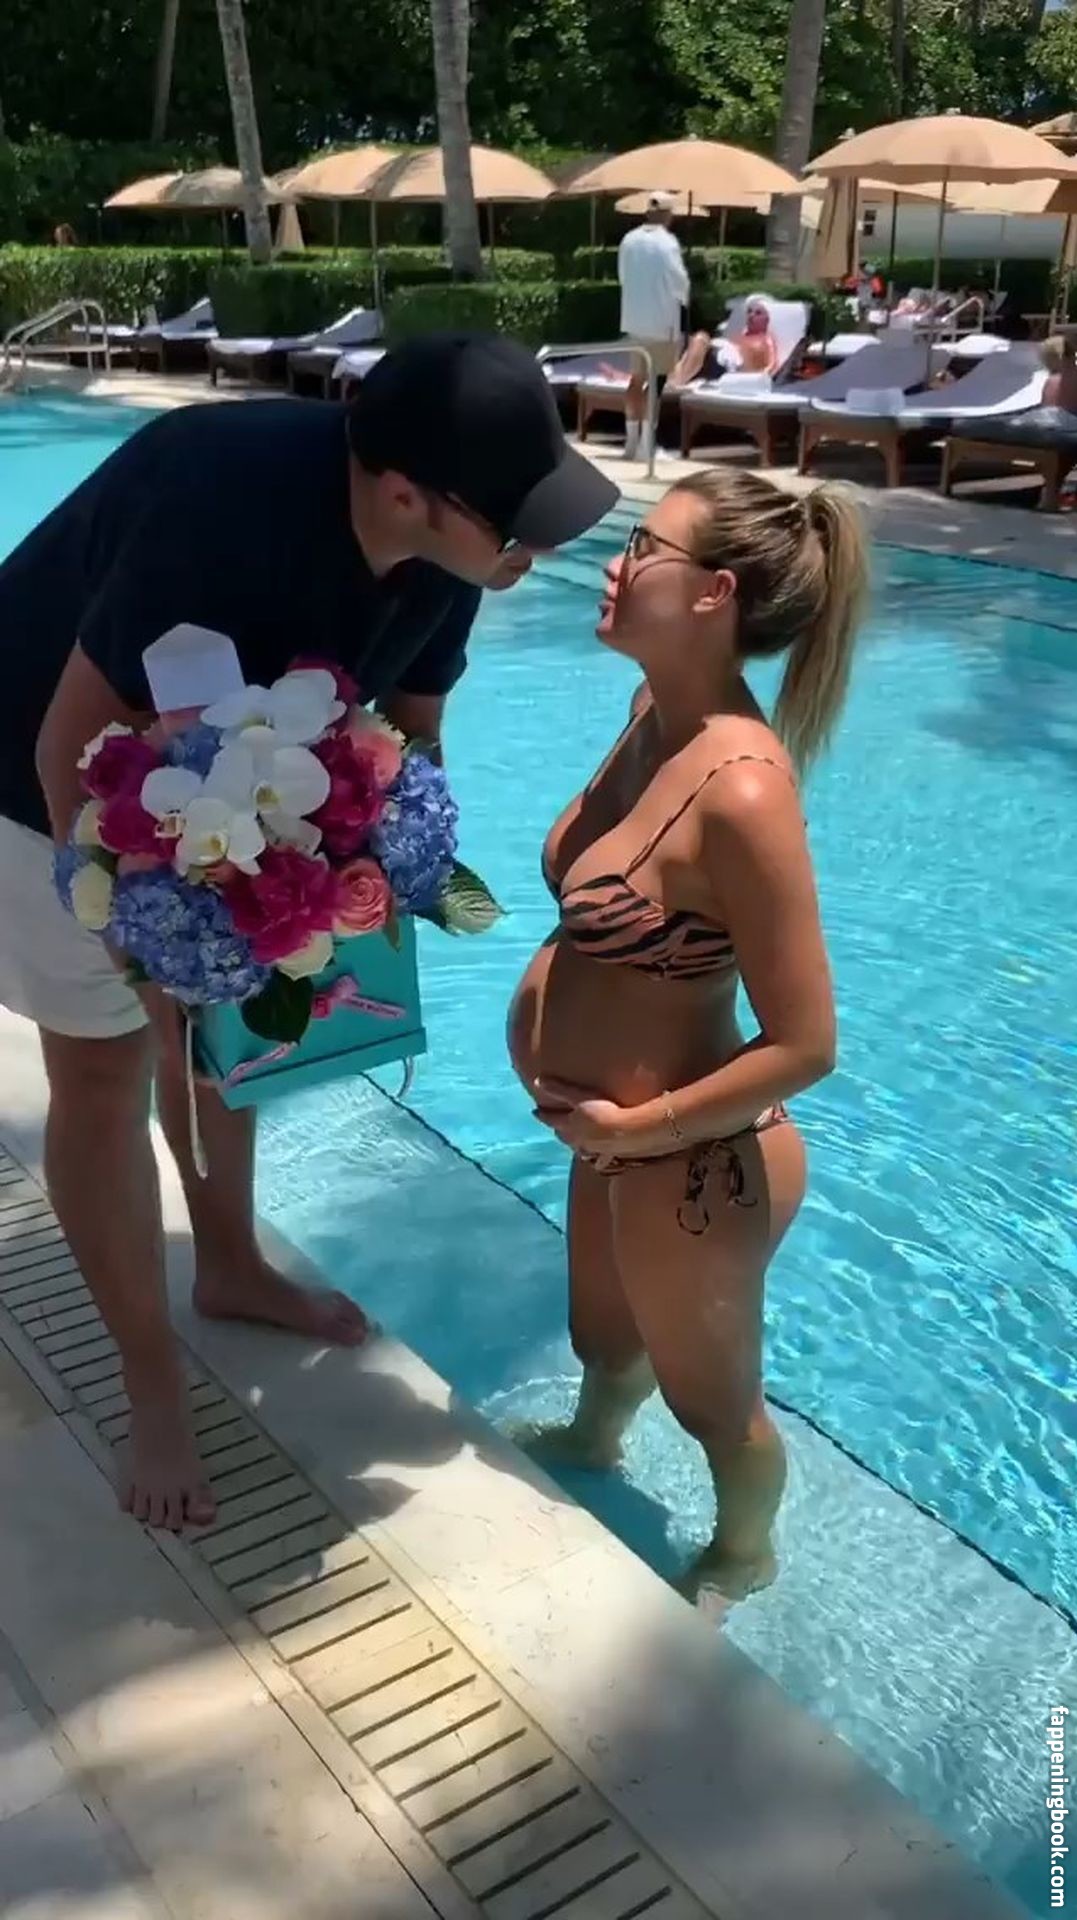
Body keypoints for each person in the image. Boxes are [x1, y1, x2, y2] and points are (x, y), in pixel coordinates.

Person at [0, 332, 618, 1532]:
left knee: (225, 1030)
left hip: (219, 781)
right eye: (516, 525)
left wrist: (365, 876)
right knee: (105, 1068)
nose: (535, 550)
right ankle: (149, 1379)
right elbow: (68, 740)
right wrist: (135, 936)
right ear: (405, 492)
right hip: (33, 778)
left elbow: (411, 737)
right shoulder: (218, 506)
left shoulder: (449, 558)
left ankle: (228, 1264)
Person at [507, 466, 867, 1605]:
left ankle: (743, 1553)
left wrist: (637, 1128)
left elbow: (806, 1042)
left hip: (689, 1154)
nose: (614, 566)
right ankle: (593, 1440)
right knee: (603, 1340)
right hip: (608, 1135)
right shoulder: (648, 719)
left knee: (714, 1405)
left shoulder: (742, 793)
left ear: (714, 593)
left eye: (642, 548)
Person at [617, 190, 690, 460]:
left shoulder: (629, 239)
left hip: (634, 319)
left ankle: (631, 442)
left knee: (636, 379)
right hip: (660, 322)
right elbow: (679, 282)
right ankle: (646, 446)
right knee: (656, 384)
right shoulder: (667, 243)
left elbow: (623, 276)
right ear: (668, 215)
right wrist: (685, 301)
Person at [666, 296, 779, 388]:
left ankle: (676, 382)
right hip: (715, 355)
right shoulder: (741, 335)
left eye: (758, 313)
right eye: (749, 312)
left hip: (726, 365)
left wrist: (762, 378)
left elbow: (773, 365)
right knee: (683, 340)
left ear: (768, 318)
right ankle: (671, 379)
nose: (751, 315)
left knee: (701, 337)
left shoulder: (766, 339)